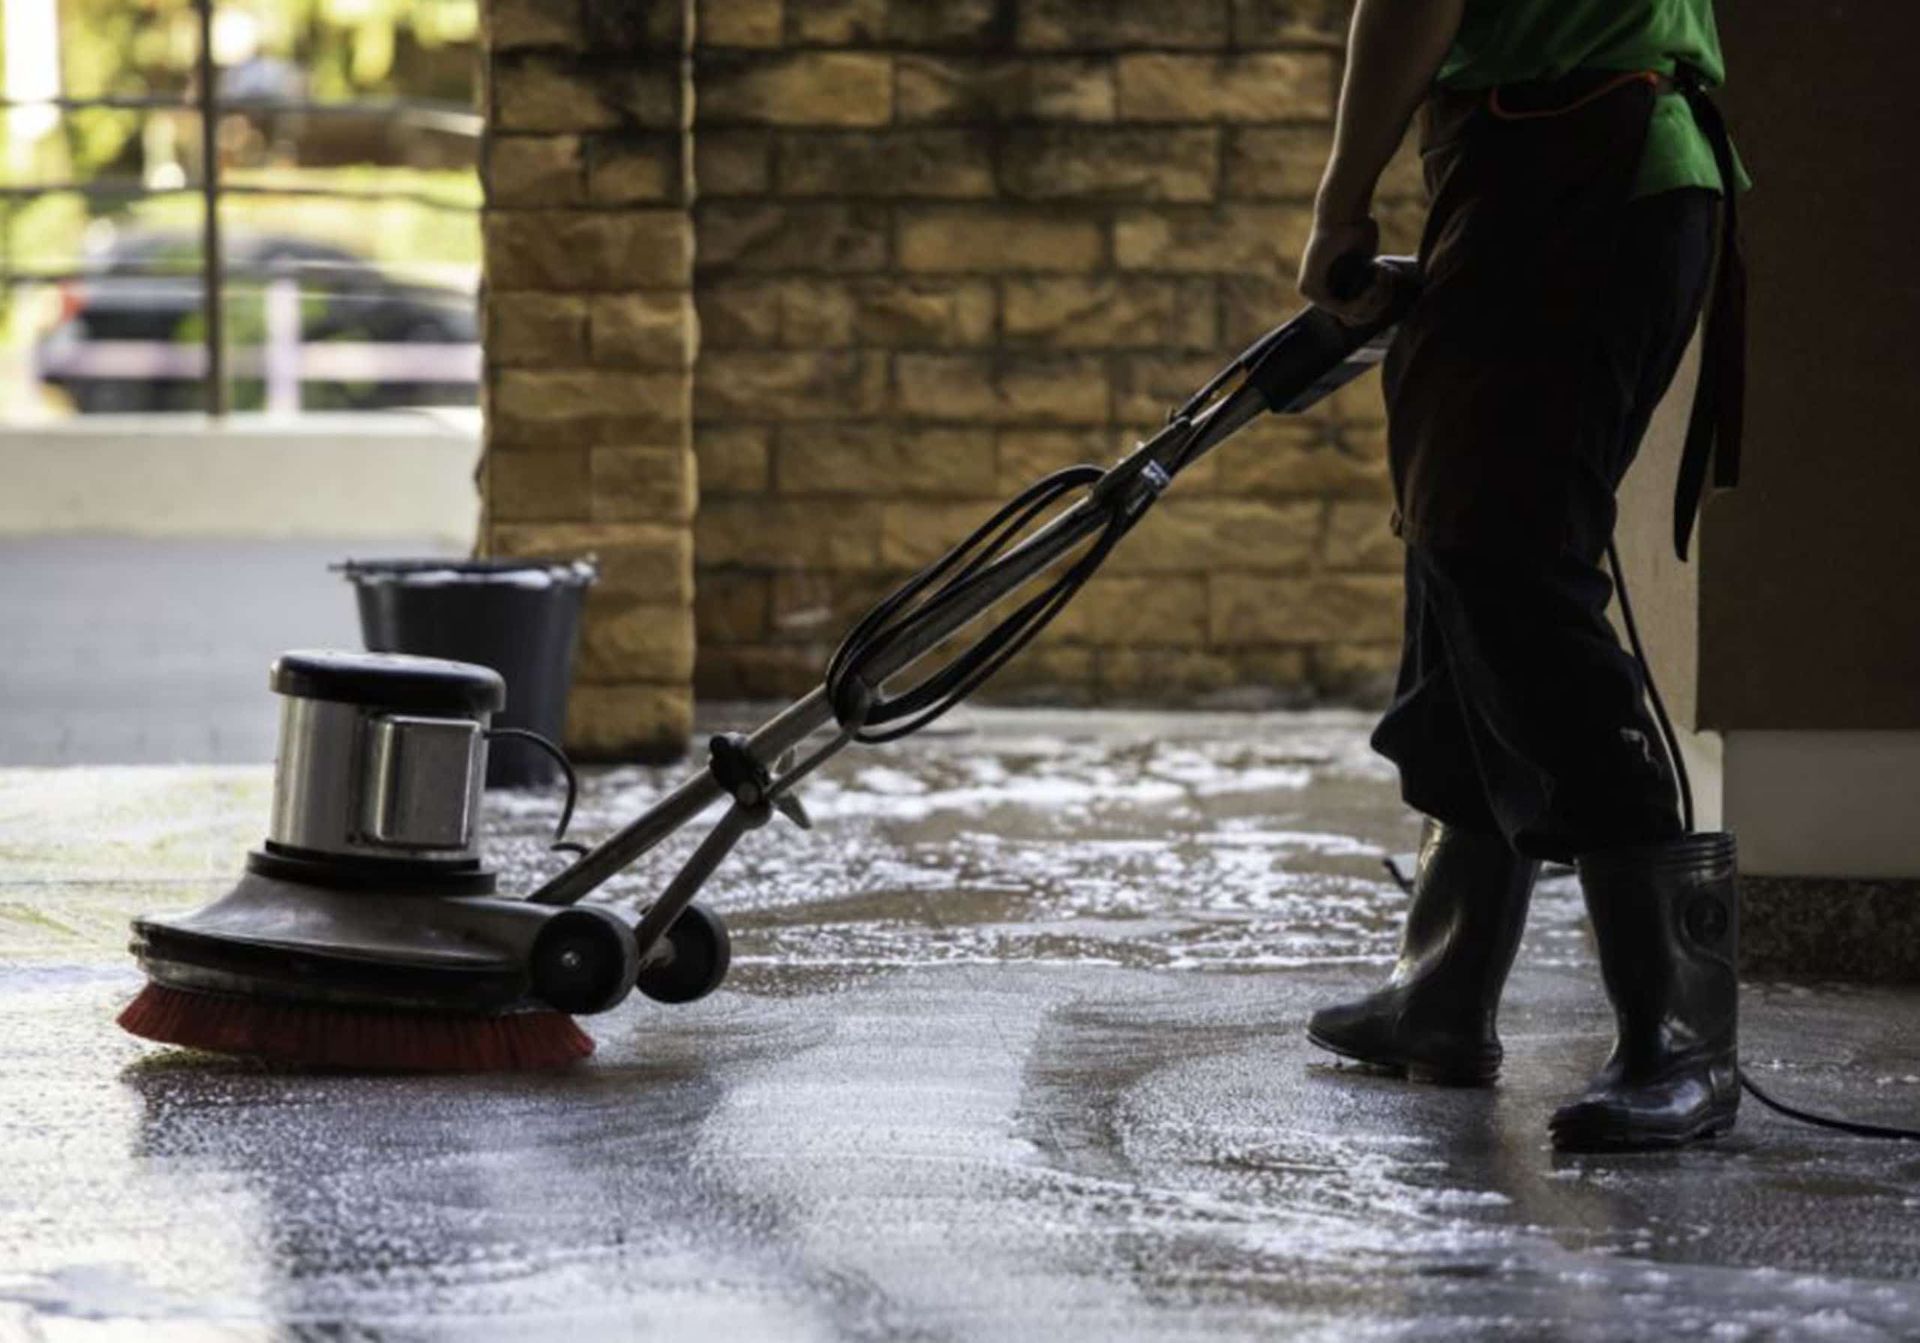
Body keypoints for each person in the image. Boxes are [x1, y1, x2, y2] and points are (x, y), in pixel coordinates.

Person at [1295, 0, 1747, 1152]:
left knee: (1504, 557)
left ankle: (1680, 1033)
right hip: (1557, 167)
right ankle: (1442, 985)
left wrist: (1341, 198)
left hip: (1584, 166)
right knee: (1458, 548)